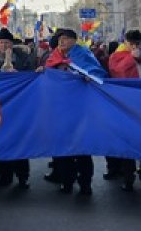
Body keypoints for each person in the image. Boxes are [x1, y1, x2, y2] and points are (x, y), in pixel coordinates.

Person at [42, 29, 104, 195]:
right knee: (63, 147)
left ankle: (85, 184)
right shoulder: (53, 56)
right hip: (60, 108)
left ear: (74, 40)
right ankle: (66, 181)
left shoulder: (83, 55)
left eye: (66, 39)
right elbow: (47, 76)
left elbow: (98, 73)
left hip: (80, 108)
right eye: (60, 39)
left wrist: (89, 76)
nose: (62, 42)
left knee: (82, 148)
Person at [107, 30, 141, 194]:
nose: (135, 47)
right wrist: (132, 57)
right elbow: (119, 72)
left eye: (138, 44)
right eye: (132, 44)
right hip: (127, 104)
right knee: (129, 144)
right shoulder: (117, 56)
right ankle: (128, 179)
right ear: (126, 42)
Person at [0, 27, 31, 188]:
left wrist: (16, 72)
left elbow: (29, 74)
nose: (4, 45)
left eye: (7, 42)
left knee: (18, 139)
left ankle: (22, 176)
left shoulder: (23, 57)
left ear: (12, 44)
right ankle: (3, 173)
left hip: (18, 104)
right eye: (1, 42)